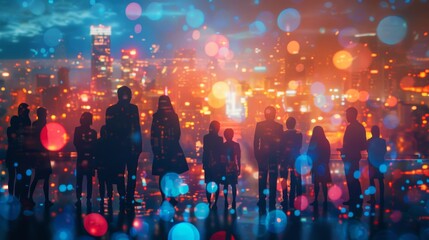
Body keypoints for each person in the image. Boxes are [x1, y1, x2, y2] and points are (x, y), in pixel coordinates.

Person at [105, 86, 142, 207]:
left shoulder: (111, 110)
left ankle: (123, 197)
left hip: (118, 148)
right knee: (131, 173)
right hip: (129, 147)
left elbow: (109, 130)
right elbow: (136, 128)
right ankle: (129, 198)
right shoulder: (133, 109)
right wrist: (138, 145)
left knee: (120, 173)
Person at [151, 95, 189, 205]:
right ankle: (169, 197)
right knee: (171, 174)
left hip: (162, 150)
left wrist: (156, 148)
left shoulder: (157, 117)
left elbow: (153, 134)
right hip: (170, 150)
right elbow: (177, 133)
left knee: (164, 174)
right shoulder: (173, 116)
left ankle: (165, 197)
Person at [254, 106, 283, 213]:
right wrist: (279, 157)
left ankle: (262, 199)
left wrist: (257, 155)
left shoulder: (260, 125)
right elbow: (281, 144)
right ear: (274, 114)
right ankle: (272, 200)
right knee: (273, 179)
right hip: (273, 156)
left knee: (262, 178)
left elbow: (256, 141)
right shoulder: (278, 127)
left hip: (263, 156)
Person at [339, 107, 366, 207]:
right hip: (354, 155)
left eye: (348, 114)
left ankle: (354, 199)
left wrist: (346, 149)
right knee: (353, 177)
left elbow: (351, 143)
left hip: (350, 156)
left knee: (351, 177)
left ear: (352, 115)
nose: (346, 117)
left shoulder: (351, 128)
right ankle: (356, 198)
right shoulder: (360, 127)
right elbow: (363, 144)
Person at [29, 107, 53, 207]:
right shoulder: (42, 125)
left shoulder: (36, 124)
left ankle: (31, 197)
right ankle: (45, 199)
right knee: (44, 176)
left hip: (39, 154)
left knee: (38, 177)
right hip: (42, 154)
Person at [73, 112, 97, 207]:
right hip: (89, 157)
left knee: (80, 179)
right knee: (88, 179)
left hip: (82, 157)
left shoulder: (77, 130)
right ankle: (88, 199)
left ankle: (79, 198)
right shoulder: (93, 132)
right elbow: (94, 145)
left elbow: (76, 142)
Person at [279, 117, 303, 210]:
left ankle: (285, 198)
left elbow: (281, 146)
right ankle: (294, 199)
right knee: (295, 179)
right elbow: (299, 146)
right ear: (294, 124)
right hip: (296, 158)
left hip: (285, 159)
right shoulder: (299, 134)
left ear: (287, 124)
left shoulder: (283, 134)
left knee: (284, 179)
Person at [202, 121, 223, 210]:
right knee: (216, 183)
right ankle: (215, 202)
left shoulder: (206, 138)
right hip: (216, 164)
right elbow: (221, 151)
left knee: (208, 183)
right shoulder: (219, 139)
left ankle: (209, 202)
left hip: (208, 163)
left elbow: (206, 149)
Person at [308, 126, 331, 207]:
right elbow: (328, 154)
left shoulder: (313, 141)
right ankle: (325, 199)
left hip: (315, 165)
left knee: (316, 183)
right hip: (323, 165)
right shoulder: (325, 141)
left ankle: (316, 199)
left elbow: (309, 153)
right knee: (324, 183)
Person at [15, 103, 32, 204]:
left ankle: (18, 197)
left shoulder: (19, 121)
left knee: (20, 176)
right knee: (25, 177)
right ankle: (23, 197)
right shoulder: (26, 121)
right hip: (25, 154)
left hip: (20, 154)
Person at [222, 128, 241, 210]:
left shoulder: (223, 145)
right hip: (233, 167)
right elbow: (239, 158)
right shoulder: (236, 145)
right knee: (233, 185)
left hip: (226, 167)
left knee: (226, 185)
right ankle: (233, 201)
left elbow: (221, 158)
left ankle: (226, 201)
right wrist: (239, 167)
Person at [95, 125, 113, 212]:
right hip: (108, 165)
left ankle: (102, 197)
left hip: (100, 165)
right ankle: (109, 196)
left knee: (101, 182)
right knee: (109, 182)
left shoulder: (98, 142)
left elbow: (95, 153)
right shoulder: (110, 142)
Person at [367, 125, 386, 204]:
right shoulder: (383, 141)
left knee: (372, 181)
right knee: (381, 180)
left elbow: (368, 151)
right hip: (380, 162)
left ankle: (372, 198)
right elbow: (384, 151)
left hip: (371, 162)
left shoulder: (369, 141)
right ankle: (382, 198)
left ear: (372, 132)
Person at [6, 116, 20, 197]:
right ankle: (16, 195)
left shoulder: (9, 129)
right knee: (17, 176)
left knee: (11, 177)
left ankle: (11, 194)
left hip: (11, 155)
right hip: (16, 155)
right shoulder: (14, 131)